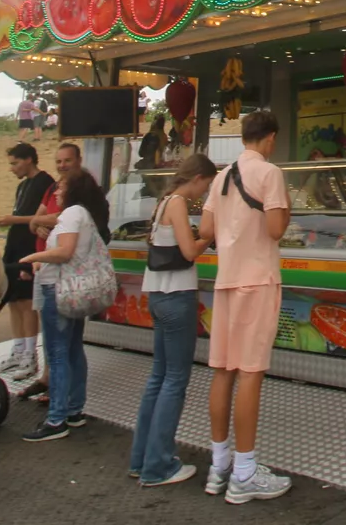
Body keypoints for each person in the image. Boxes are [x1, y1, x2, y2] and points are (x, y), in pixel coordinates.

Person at [199, 110, 292, 503]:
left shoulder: (221, 177)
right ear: (270, 138)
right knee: (250, 373)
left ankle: (219, 465)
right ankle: (245, 473)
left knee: (223, 371)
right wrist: (287, 210)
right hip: (257, 281)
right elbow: (275, 229)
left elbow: (206, 230)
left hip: (226, 282)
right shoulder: (270, 173)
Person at [128, 154, 216, 486]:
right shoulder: (178, 203)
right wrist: (210, 234)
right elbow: (190, 251)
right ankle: (159, 466)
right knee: (175, 381)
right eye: (206, 185)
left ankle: (141, 459)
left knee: (159, 377)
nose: (204, 192)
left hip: (157, 296)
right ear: (198, 178)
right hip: (177, 297)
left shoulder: (163, 201)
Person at [18, 169, 109, 443]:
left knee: (57, 353)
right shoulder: (83, 214)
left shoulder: (71, 214)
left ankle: (56, 419)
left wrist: (33, 257)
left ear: (73, 190)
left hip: (58, 289)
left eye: (61, 187)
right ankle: (74, 410)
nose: (56, 191)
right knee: (73, 349)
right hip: (73, 290)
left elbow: (65, 251)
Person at [15, 142, 84, 402]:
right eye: (58, 161)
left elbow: (66, 218)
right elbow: (35, 220)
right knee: (50, 330)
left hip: (65, 272)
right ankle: (48, 378)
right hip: (44, 268)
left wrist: (40, 222)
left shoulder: (82, 188)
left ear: (78, 160)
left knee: (64, 338)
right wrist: (38, 225)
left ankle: (61, 395)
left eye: (67, 160)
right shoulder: (52, 188)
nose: (62, 166)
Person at [0, 143, 54, 380]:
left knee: (27, 302)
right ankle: (18, 351)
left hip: (29, 249)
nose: (12, 168)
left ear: (28, 159)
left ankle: (30, 355)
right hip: (14, 247)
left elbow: (42, 217)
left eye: (15, 163)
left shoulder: (45, 182)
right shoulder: (22, 186)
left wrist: (13, 219)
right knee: (13, 300)